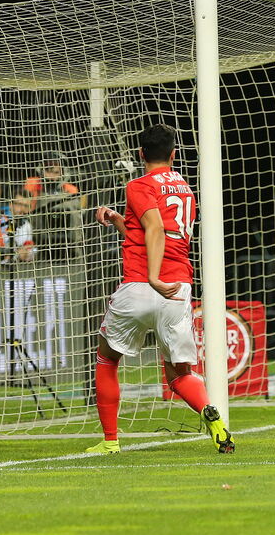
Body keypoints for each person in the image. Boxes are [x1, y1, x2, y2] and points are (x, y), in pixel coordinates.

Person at [87, 123, 233, 455]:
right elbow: (142, 228)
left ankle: (110, 441)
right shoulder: (184, 188)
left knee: (107, 359)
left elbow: (154, 229)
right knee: (180, 375)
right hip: (178, 288)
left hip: (142, 284)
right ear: (174, 154)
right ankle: (215, 421)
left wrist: (153, 276)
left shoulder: (139, 185)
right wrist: (113, 217)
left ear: (140, 154)